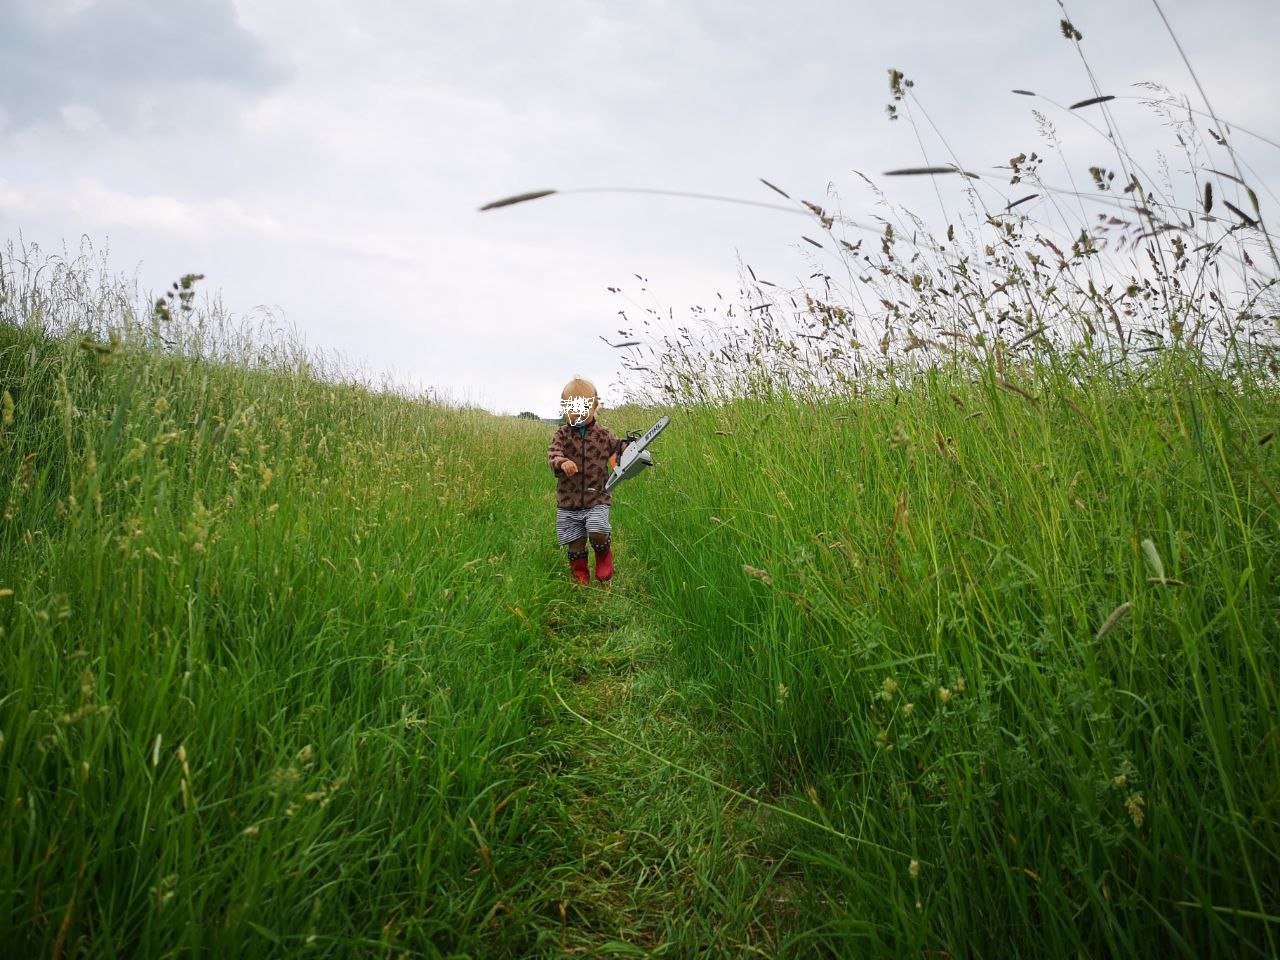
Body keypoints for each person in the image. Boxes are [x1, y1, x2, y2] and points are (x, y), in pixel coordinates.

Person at [547, 377, 629, 585]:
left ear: (594, 406)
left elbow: (618, 447)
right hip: (569, 501)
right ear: (565, 408)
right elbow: (554, 454)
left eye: (583, 407)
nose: (578, 413)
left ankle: (603, 555)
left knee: (597, 528)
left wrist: (627, 448)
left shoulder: (604, 435)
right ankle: (580, 577)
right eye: (572, 408)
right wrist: (562, 462)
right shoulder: (561, 435)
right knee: (575, 541)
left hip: (597, 497)